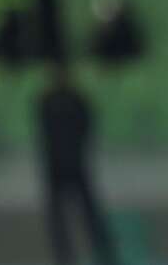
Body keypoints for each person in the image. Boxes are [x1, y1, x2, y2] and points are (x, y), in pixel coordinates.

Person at [37, 63, 118, 265]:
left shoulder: (53, 101)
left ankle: (91, 251)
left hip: (66, 161)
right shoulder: (62, 101)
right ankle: (80, 252)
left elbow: (84, 128)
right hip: (66, 161)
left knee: (78, 212)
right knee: (74, 213)